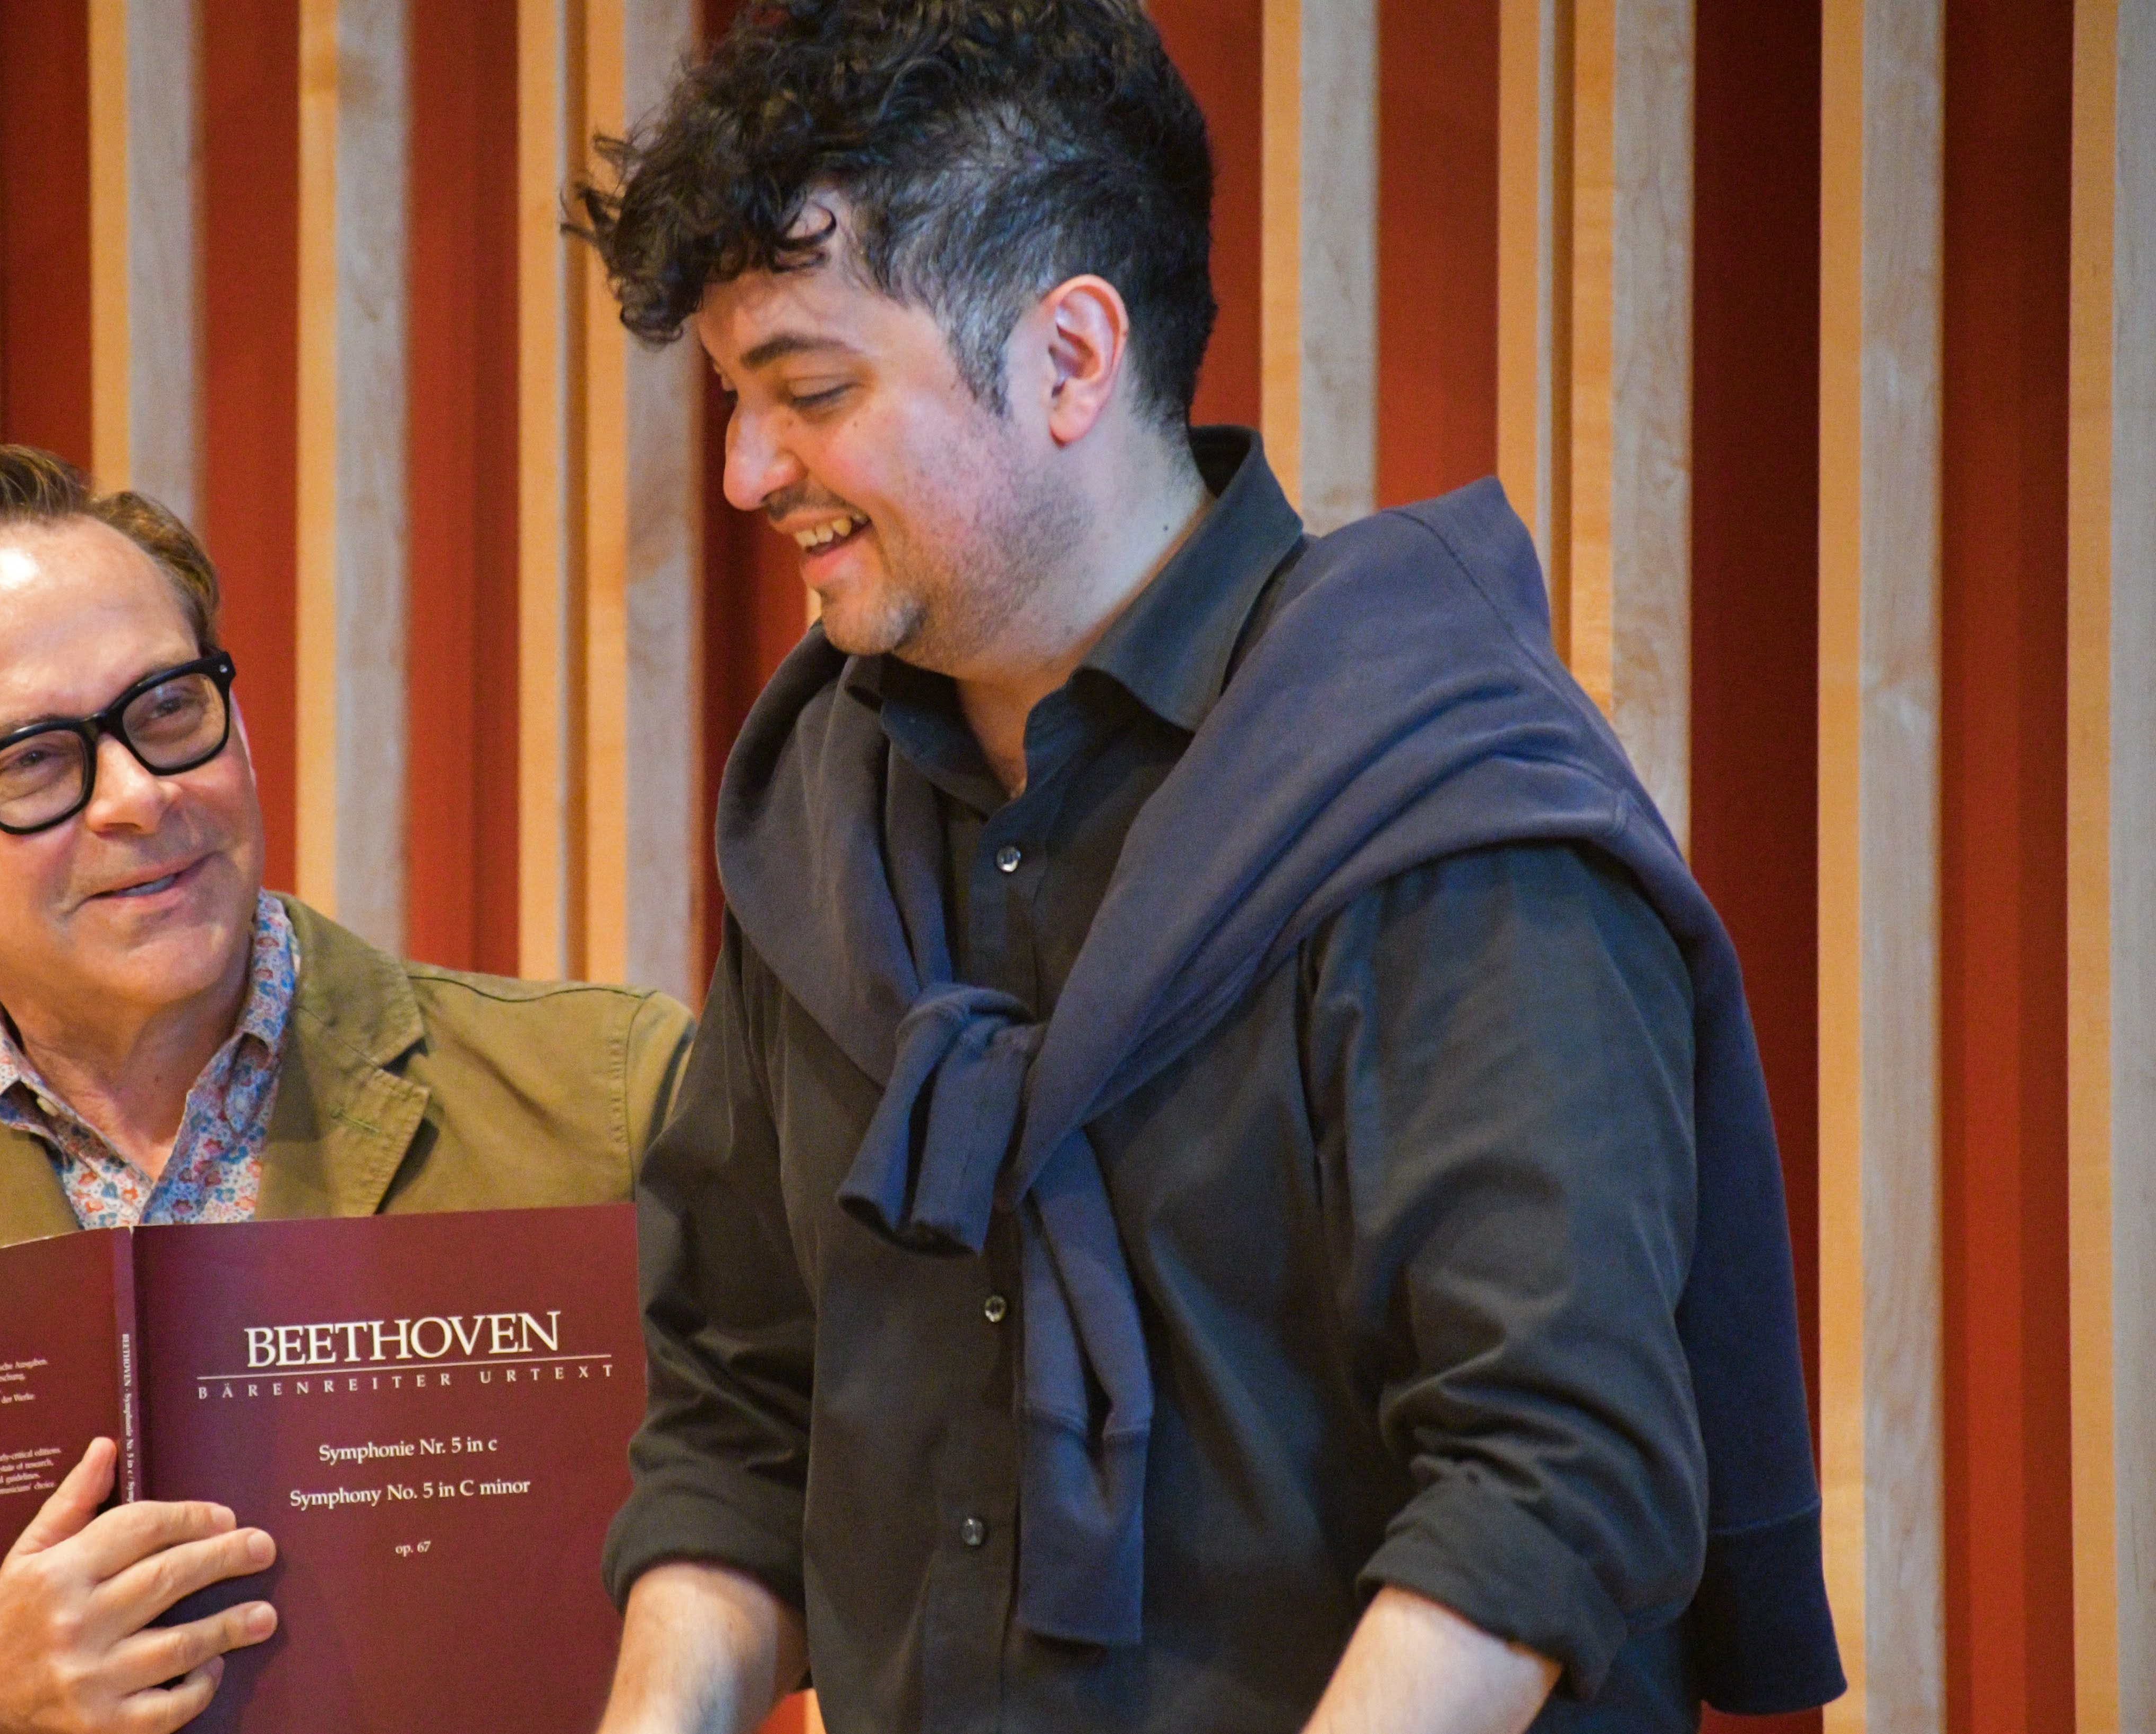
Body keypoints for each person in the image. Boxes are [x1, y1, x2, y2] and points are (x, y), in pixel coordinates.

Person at [572, 4, 1840, 1732]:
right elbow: (737, 1408)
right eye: (733, 400)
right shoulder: (822, 805)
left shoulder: (1433, 791)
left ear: (1072, 359)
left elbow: (1552, 1469)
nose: (742, 473)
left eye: (810, 391)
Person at [0, 443, 693, 1734]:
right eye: (32, 762)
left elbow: (854, 1554)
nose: (142, 794)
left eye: (169, 709)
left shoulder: (609, 1100)